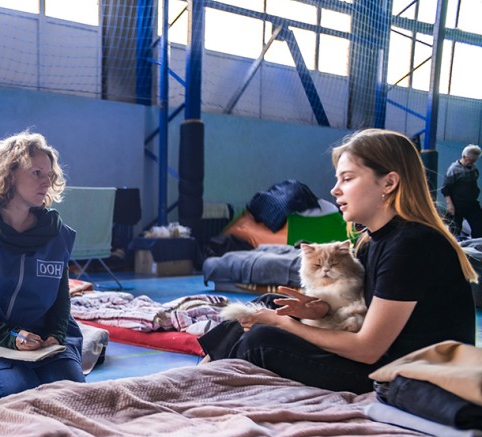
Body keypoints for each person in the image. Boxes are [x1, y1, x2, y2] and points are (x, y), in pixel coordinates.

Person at [198, 128, 478, 394]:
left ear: (389, 183)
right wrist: (318, 310)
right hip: (382, 357)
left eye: (347, 178)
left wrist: (284, 325)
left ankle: (204, 381)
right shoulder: (372, 240)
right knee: (274, 304)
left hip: (403, 374)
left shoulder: (411, 244)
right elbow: (361, 309)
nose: (334, 190)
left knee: (263, 338)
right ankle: (205, 366)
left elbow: (368, 348)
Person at [0, 130, 85, 402]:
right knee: (20, 396)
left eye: (49, 174)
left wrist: (55, 335)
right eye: (37, 173)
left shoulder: (57, 235)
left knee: (74, 397)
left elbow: (61, 300)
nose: (46, 182)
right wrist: (11, 336)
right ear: (10, 175)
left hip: (44, 341)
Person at [441, 144, 482, 238]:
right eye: (470, 160)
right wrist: (450, 205)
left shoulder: (473, 168)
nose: (472, 163)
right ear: (464, 157)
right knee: (455, 231)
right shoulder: (453, 170)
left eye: (474, 161)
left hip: (472, 203)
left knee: (479, 227)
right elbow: (445, 188)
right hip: (457, 204)